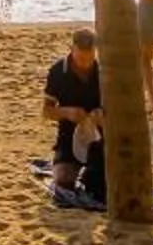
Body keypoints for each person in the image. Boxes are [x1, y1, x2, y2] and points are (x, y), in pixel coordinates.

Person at [43, 29, 106, 196]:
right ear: (72, 49)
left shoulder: (104, 71)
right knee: (63, 183)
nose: (85, 63)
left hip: (100, 134)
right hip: (68, 135)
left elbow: (118, 109)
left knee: (100, 185)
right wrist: (66, 112)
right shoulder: (58, 71)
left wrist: (102, 114)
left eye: (90, 58)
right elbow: (47, 111)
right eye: (80, 58)